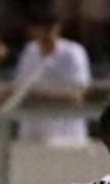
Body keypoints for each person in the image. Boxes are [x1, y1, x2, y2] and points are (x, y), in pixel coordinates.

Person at [14, 8, 93, 144]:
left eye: (50, 27)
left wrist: (37, 96)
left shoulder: (74, 53)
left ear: (58, 28)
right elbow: (18, 90)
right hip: (32, 136)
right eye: (41, 27)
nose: (45, 32)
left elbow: (78, 95)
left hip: (67, 138)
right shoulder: (29, 52)